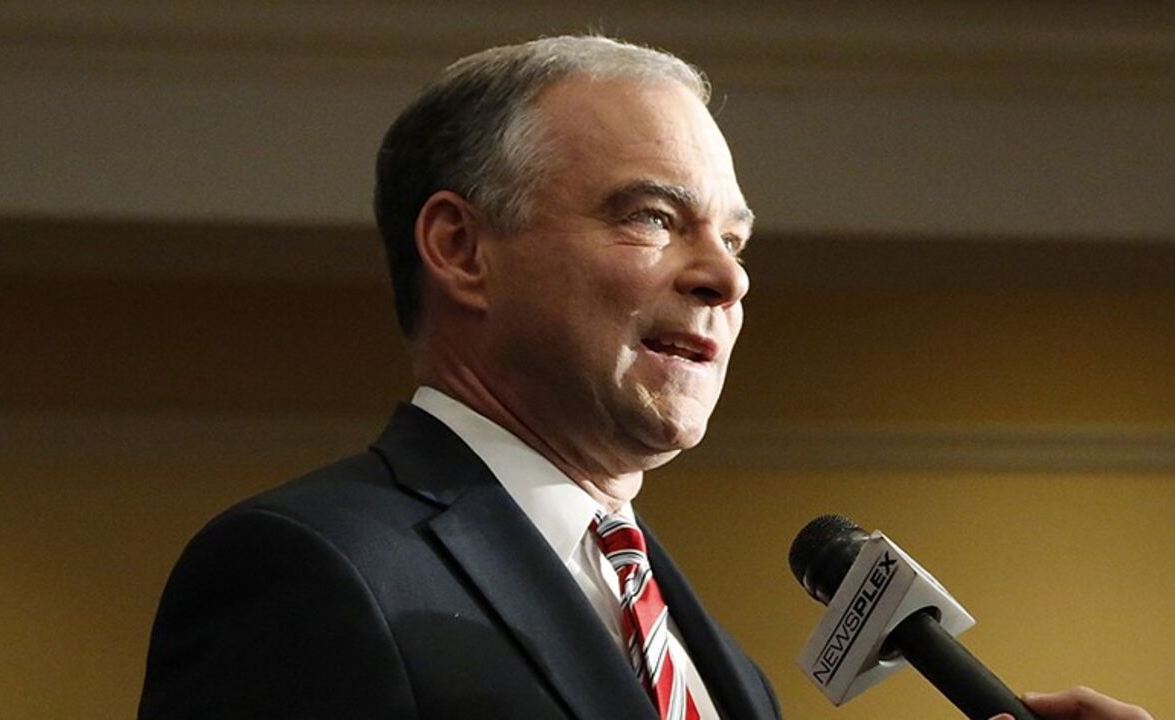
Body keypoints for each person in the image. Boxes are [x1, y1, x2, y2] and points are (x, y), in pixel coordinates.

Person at [138, 36, 1153, 720]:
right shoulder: (309, 571)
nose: (726, 278)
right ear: (460, 249)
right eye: (653, 217)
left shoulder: (717, 663)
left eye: (734, 239)